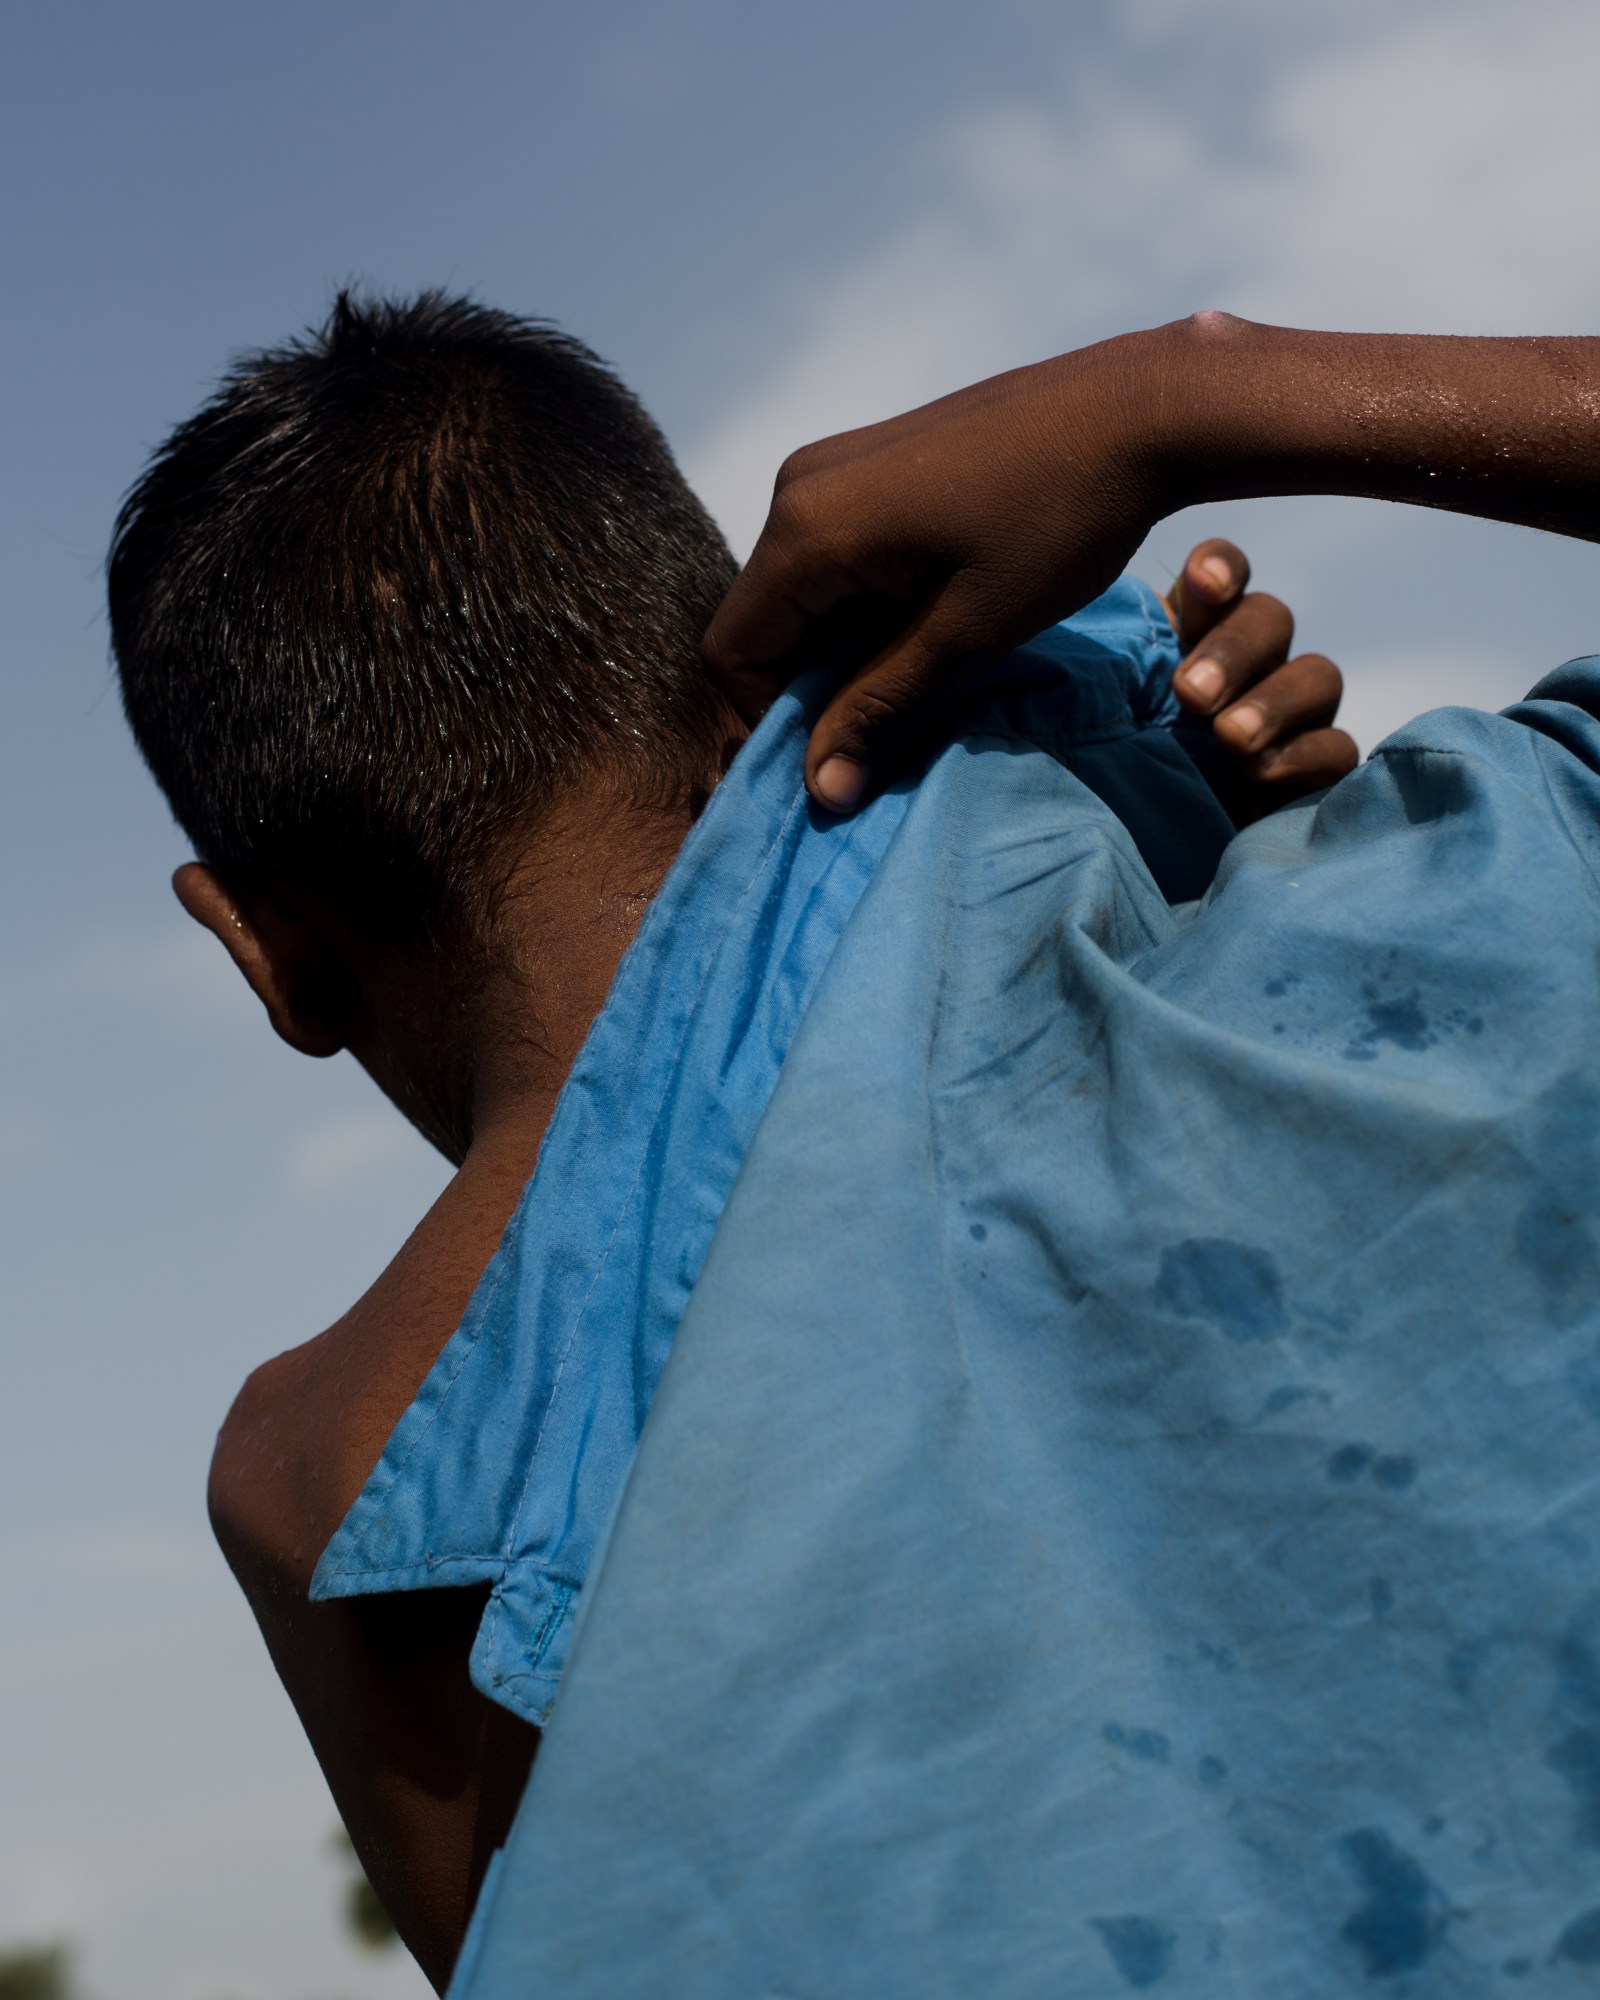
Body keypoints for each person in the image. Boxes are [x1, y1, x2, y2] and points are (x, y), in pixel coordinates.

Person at [106, 292, 1344, 1987]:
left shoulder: (320, 1475)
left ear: (267, 948)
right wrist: (1187, 392)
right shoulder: (1199, 925)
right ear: (748, 666)